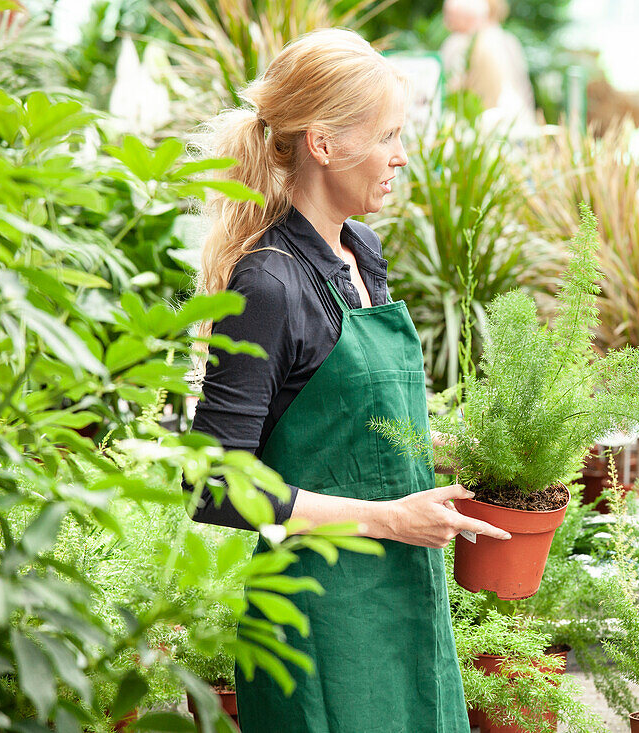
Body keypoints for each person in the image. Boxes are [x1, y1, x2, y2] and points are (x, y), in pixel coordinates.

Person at [184, 29, 509, 733]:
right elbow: (215, 483)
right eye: (388, 134)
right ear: (324, 144)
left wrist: (476, 452)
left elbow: (349, 424)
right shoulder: (269, 281)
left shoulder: (362, 250)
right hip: (316, 620)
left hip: (402, 595)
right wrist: (393, 517)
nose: (401, 156)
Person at [439, 0, 536, 129]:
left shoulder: (459, 43)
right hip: (514, 124)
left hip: (482, 127)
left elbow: (448, 91)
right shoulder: (507, 40)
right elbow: (524, 91)